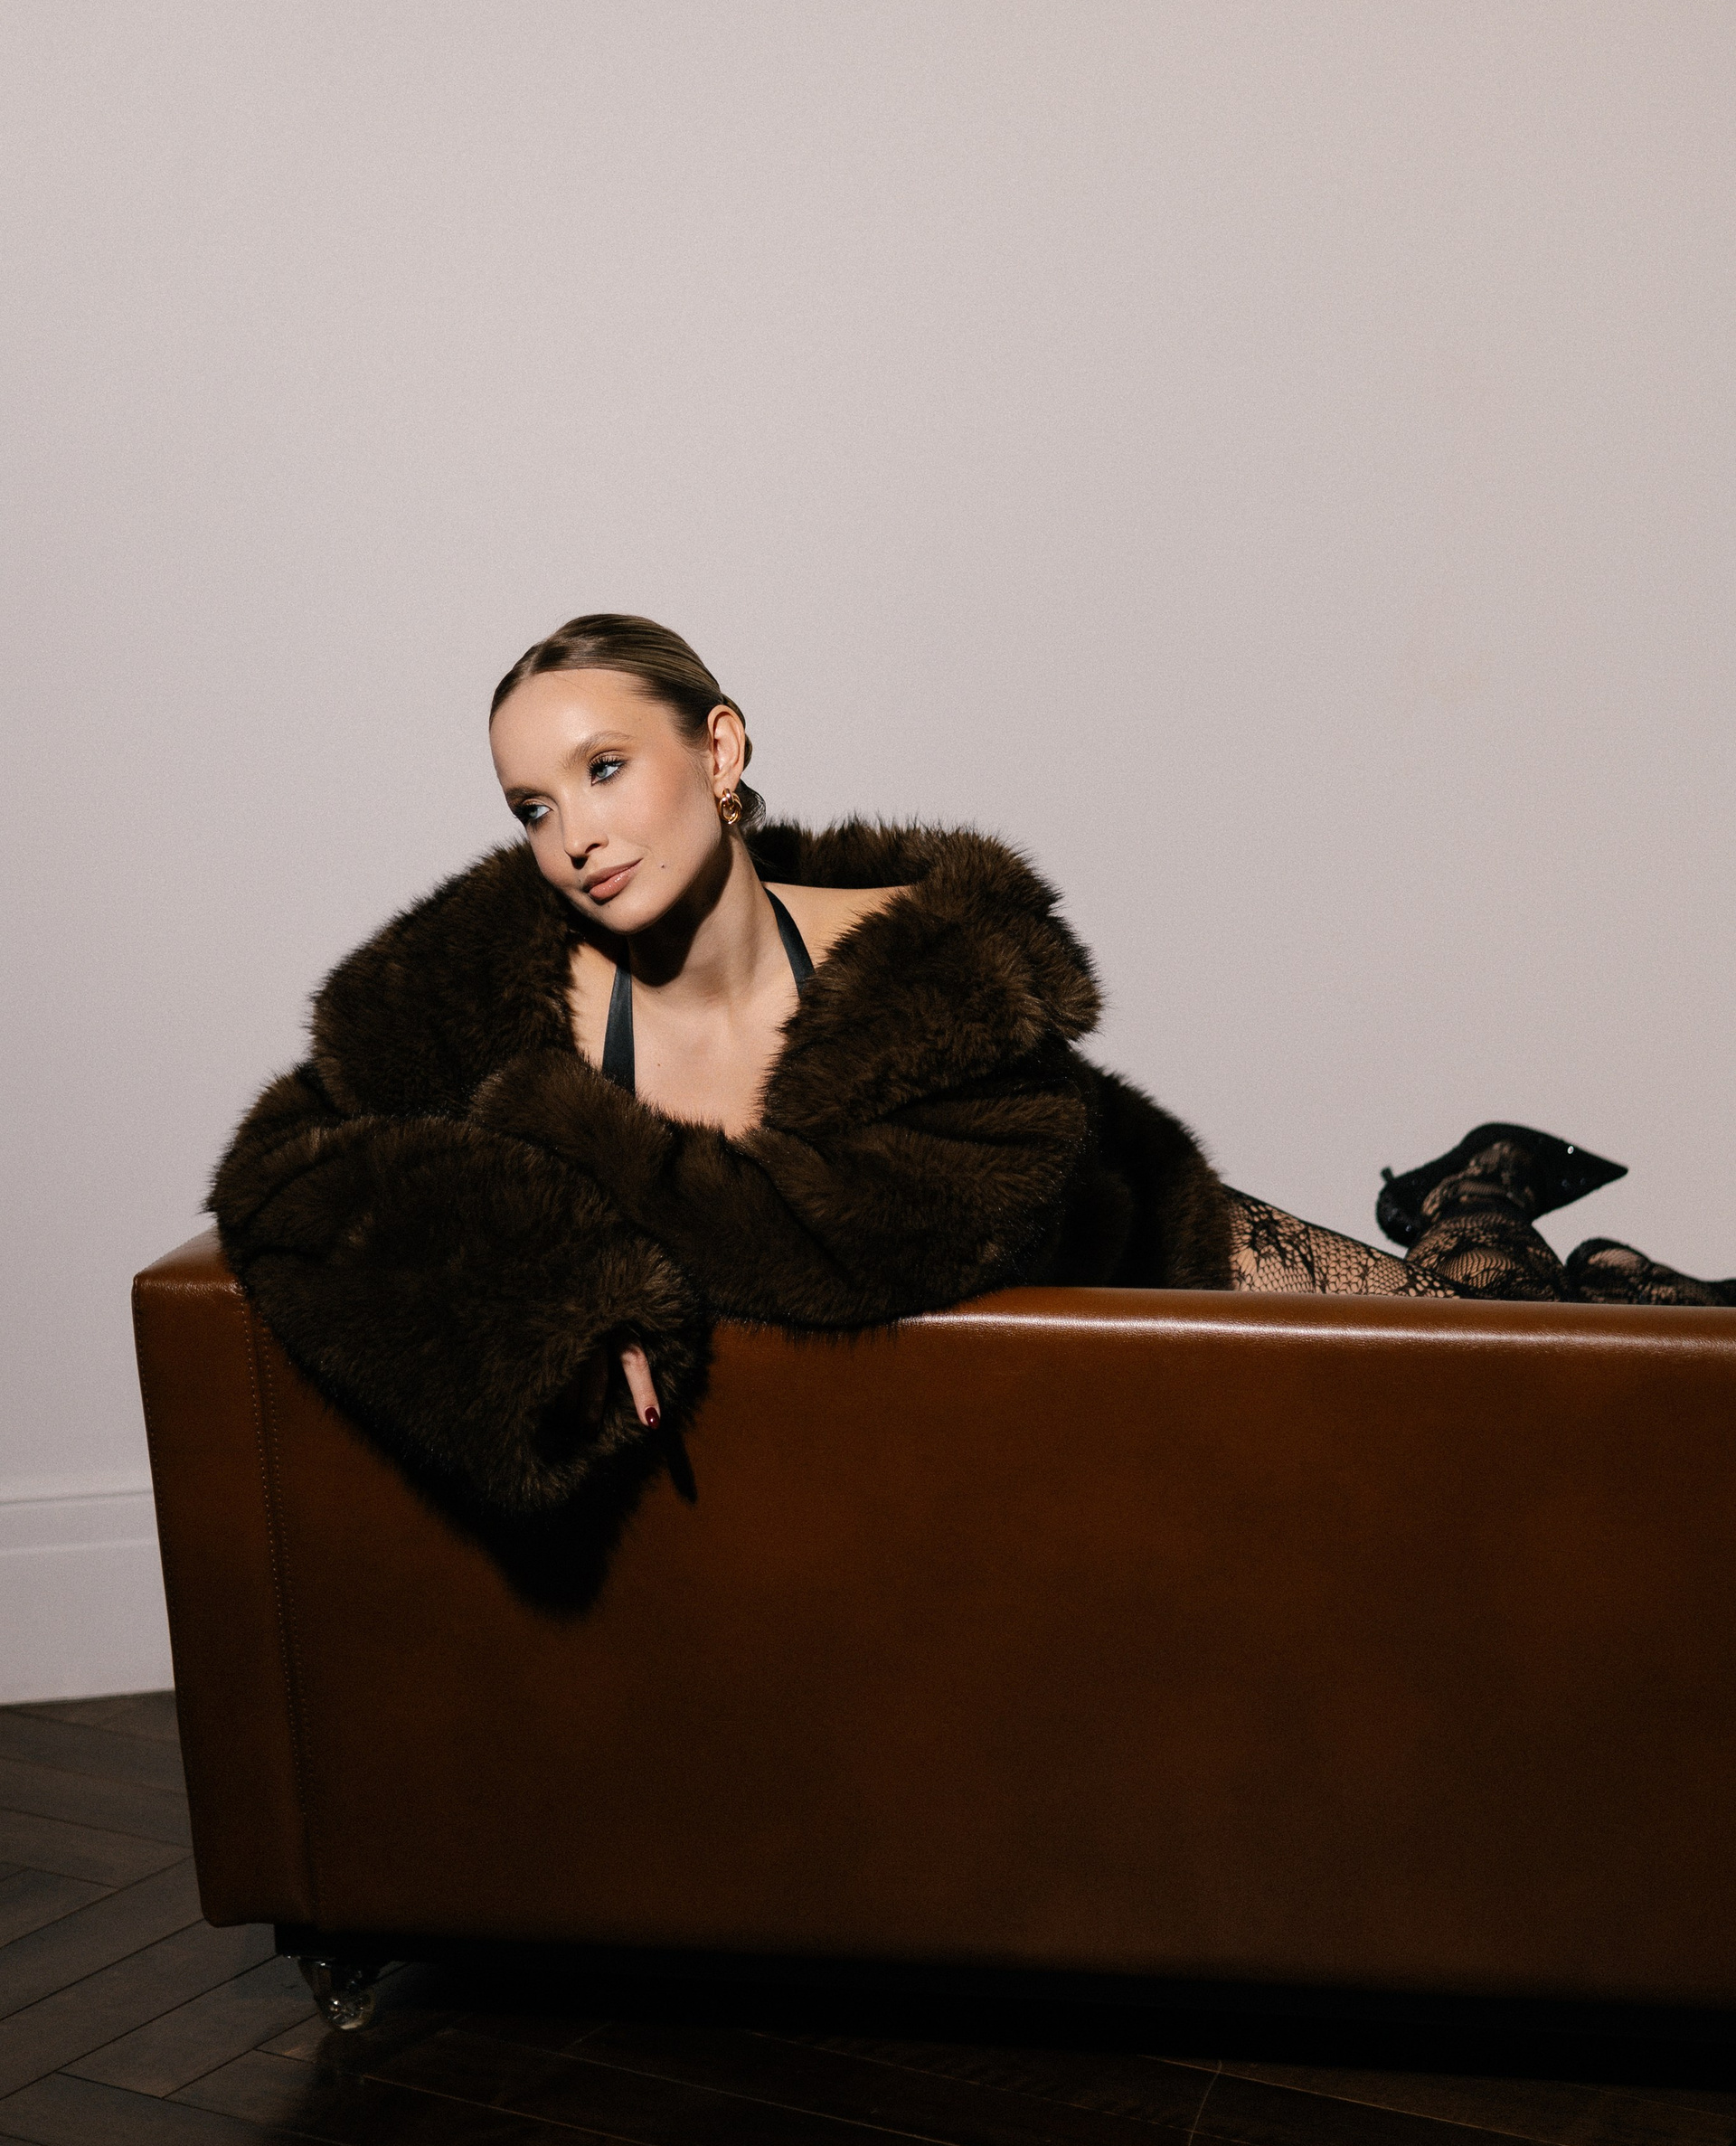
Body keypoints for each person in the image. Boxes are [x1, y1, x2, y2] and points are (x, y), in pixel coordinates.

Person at [211, 614, 1732, 1521]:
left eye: (606, 769)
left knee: (1522, 1368)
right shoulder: (487, 992)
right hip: (1007, 1422)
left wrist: (574, 1164)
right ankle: (1518, 1222)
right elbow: (279, 1180)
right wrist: (544, 1287)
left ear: (720, 753)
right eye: (532, 807)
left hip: (1138, 1237)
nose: (576, 837)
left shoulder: (939, 958)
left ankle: (1481, 1207)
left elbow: (881, 1245)